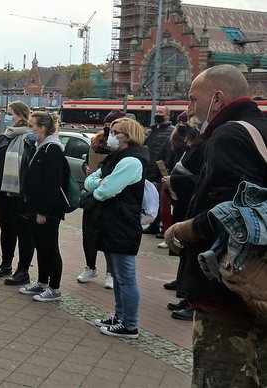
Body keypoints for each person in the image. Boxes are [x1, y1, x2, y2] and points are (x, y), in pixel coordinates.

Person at [164, 65, 267, 386]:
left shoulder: (230, 134)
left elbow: (232, 211)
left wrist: (183, 231)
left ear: (218, 97)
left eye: (194, 100)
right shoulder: (259, 127)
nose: (189, 109)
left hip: (230, 295)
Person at [85, 117, 149, 339]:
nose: (111, 136)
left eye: (116, 132)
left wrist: (101, 183)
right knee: (119, 275)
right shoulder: (117, 157)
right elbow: (92, 180)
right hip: (112, 221)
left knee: (125, 277)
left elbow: (105, 190)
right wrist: (101, 182)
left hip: (122, 223)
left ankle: (129, 324)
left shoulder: (131, 161)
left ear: (129, 136)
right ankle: (119, 316)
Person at [0, 102, 35, 285]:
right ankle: (6, 264)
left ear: (20, 116)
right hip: (2, 191)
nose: (6, 116)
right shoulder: (4, 137)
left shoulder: (30, 138)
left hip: (21, 193)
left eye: (10, 113)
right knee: (7, 230)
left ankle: (23, 270)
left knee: (24, 232)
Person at [19, 111, 69, 303]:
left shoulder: (52, 149)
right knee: (40, 245)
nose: (29, 129)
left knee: (49, 247)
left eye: (31, 126)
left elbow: (51, 183)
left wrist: (43, 211)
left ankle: (54, 288)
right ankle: (42, 281)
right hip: (37, 208)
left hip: (49, 211)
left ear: (42, 128)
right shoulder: (42, 146)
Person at [162, 122, 205, 320]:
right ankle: (183, 287)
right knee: (185, 250)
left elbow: (198, 180)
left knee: (192, 252)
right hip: (185, 204)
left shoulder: (203, 149)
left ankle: (190, 299)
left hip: (193, 206)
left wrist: (175, 181)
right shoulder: (193, 149)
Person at [78, 126, 114, 289]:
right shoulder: (94, 143)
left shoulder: (119, 150)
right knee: (89, 235)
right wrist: (87, 168)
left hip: (108, 196)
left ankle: (111, 273)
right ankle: (90, 267)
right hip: (91, 197)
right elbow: (87, 161)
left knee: (107, 236)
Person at [142, 106, 174, 236]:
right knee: (152, 200)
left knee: (162, 202)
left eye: (160, 112)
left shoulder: (172, 132)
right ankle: (154, 225)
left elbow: (168, 155)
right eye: (156, 112)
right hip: (149, 170)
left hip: (161, 172)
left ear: (167, 115)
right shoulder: (153, 131)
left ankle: (162, 227)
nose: (157, 114)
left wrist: (159, 175)